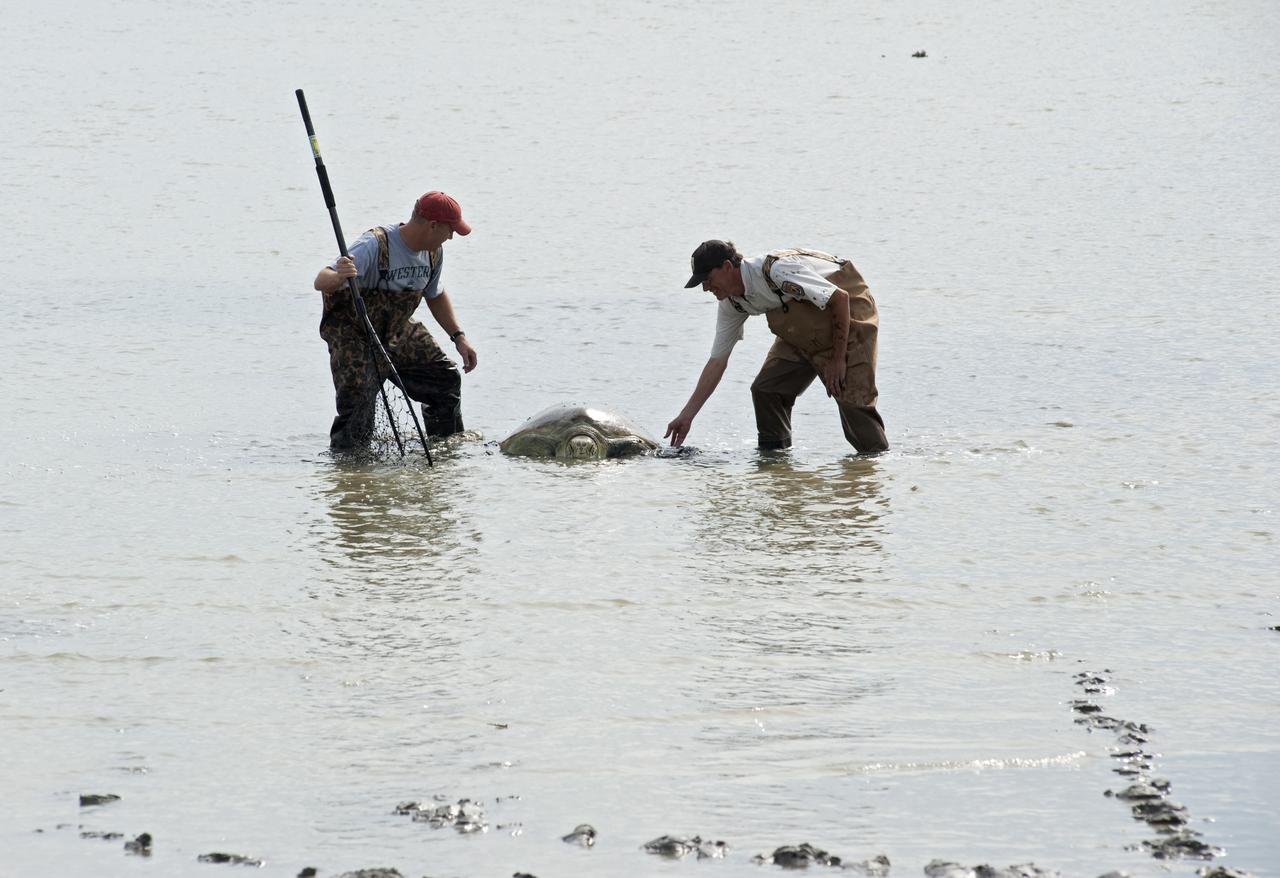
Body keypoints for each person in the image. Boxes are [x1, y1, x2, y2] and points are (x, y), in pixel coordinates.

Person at [665, 239, 888, 454]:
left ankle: (874, 466)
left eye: (707, 279)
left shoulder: (777, 271)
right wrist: (687, 415)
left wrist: (838, 360)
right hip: (801, 327)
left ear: (726, 267)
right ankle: (775, 464)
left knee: (854, 404)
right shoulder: (731, 303)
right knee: (767, 390)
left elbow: (839, 298)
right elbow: (717, 362)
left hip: (849, 310)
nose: (705, 288)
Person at [313, 190, 479, 450]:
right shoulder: (374, 245)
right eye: (450, 230)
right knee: (357, 408)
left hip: (397, 332)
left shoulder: (433, 253)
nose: (451, 237)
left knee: (445, 379)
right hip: (355, 336)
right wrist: (340, 276)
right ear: (433, 225)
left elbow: (434, 295)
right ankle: (350, 473)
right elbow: (321, 280)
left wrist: (459, 337)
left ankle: (445, 451)